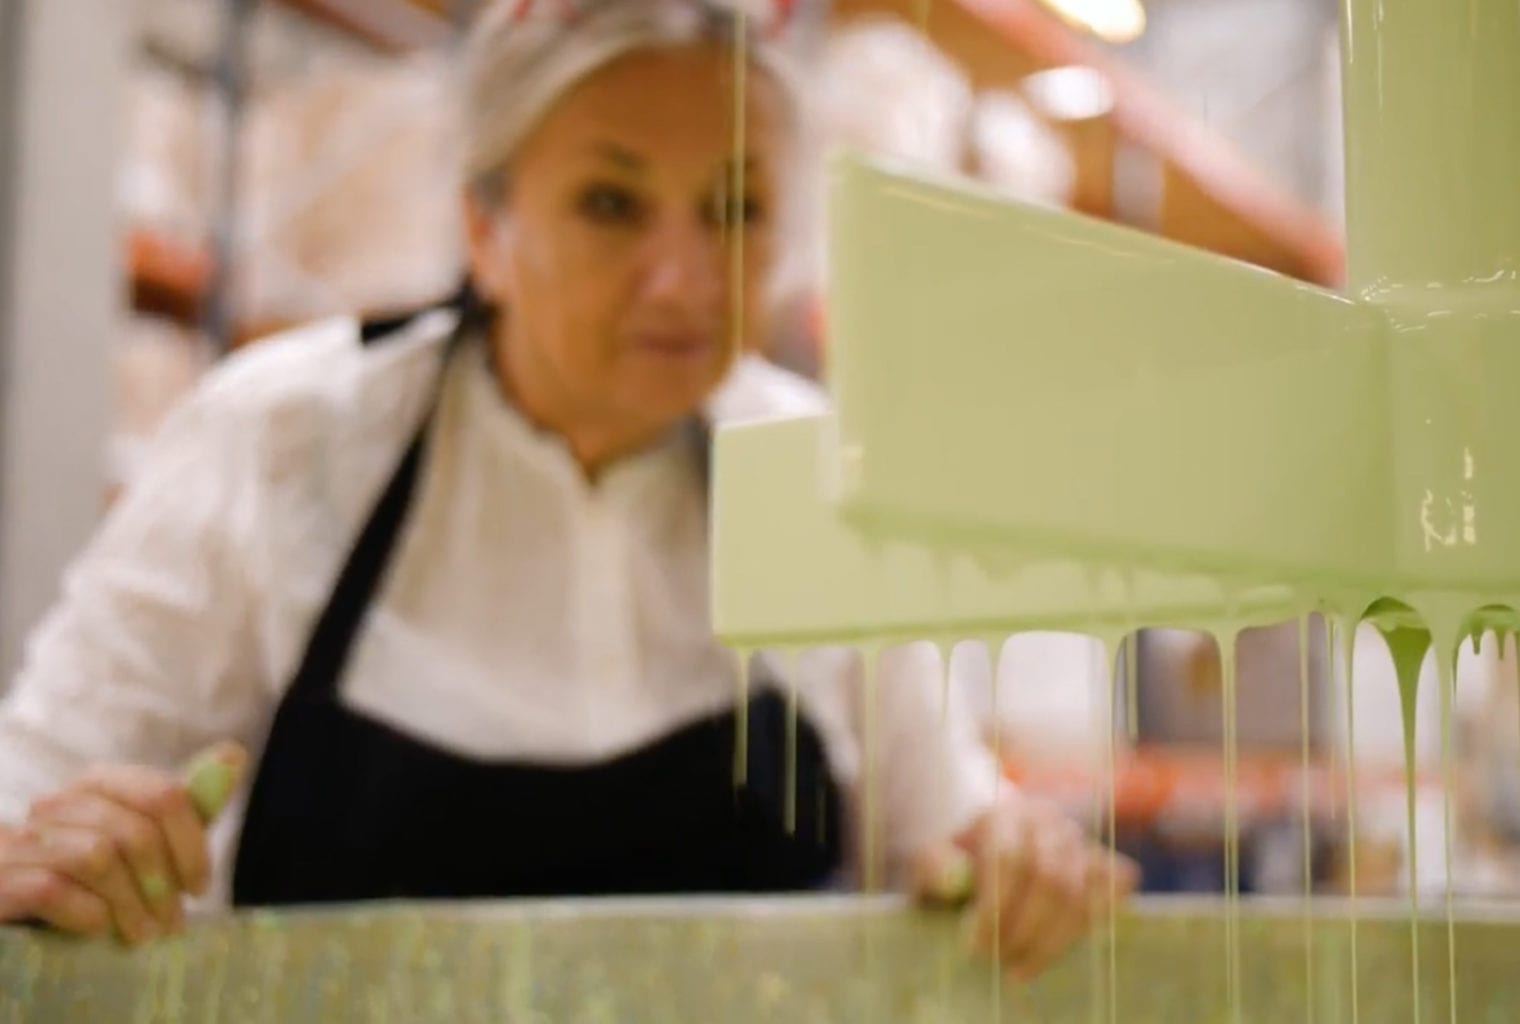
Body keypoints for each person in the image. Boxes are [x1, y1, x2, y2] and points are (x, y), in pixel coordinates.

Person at [0, 0, 1133, 983]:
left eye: (734, 207)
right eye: (610, 203)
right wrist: (65, 848)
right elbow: (26, 807)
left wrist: (1015, 863)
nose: (686, 277)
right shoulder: (288, 439)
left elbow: (946, 831)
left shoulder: (812, 469)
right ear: (484, 229)